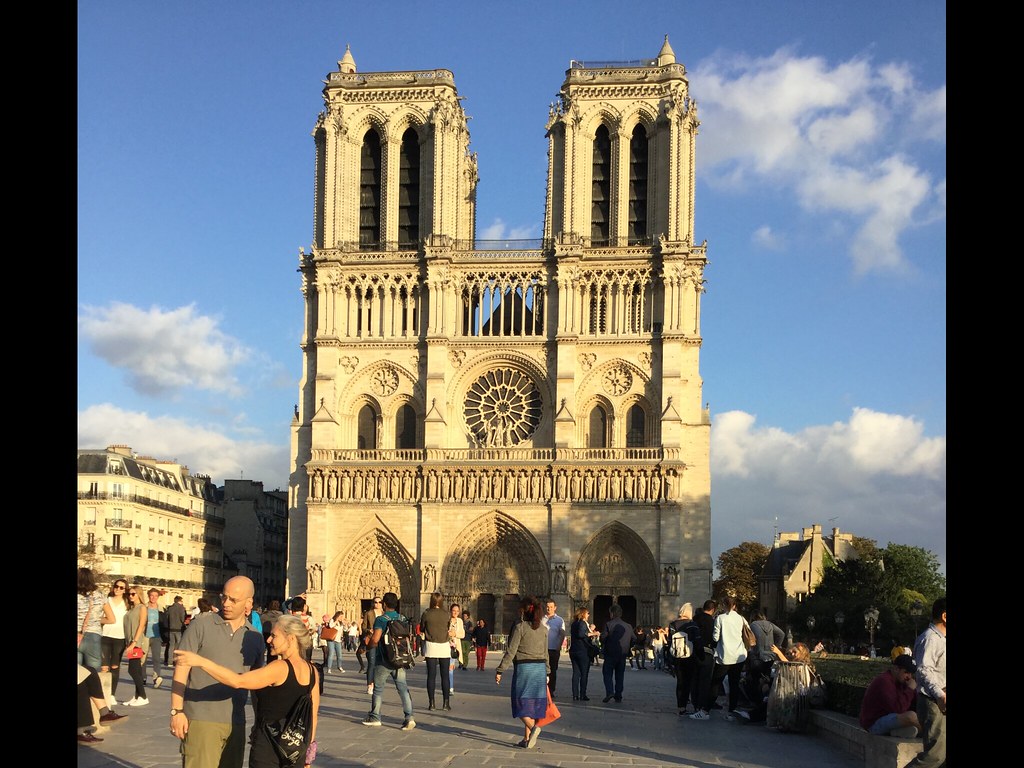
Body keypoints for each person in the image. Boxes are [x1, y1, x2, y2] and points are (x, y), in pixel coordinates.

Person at [176, 613, 320, 768]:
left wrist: (201, 661)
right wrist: (307, 755)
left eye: (274, 636)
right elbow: (312, 717)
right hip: (295, 751)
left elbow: (238, 681)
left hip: (270, 749)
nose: (269, 640)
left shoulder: (279, 668)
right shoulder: (312, 671)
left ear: (291, 638)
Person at [169, 576, 266, 768]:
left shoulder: (254, 637)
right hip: (200, 719)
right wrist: (176, 711)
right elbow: (181, 668)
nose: (226, 603)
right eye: (224, 597)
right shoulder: (201, 624)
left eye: (233, 600)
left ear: (249, 602)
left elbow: (255, 684)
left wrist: (259, 723)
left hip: (236, 721)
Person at [495, 595, 551, 749]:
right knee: (531, 705)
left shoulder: (520, 628)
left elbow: (511, 651)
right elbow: (546, 653)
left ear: (524, 612)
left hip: (525, 669)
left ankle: (534, 729)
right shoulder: (544, 629)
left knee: (519, 703)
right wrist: (547, 672)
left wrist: (500, 670)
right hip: (539, 669)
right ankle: (526, 739)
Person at [361, 591, 416, 730]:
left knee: (378, 689)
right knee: (403, 688)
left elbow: (375, 639)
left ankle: (375, 717)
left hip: (384, 659)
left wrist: (368, 646)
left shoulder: (381, 619)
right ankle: (409, 717)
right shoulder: (402, 618)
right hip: (399, 658)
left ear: (384, 604)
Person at [907, 597, 946, 768]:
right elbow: (923, 670)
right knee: (934, 757)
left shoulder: (942, 639)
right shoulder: (930, 638)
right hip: (933, 701)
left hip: (940, 699)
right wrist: (940, 695)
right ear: (945, 616)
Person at [859, 654, 920, 737]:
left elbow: (915, 705)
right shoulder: (884, 681)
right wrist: (910, 689)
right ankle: (928, 733)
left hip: (891, 719)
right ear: (896, 669)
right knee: (911, 716)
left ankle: (897, 732)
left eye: (911, 673)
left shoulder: (902, 682)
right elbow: (898, 708)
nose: (909, 677)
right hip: (874, 724)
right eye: (906, 672)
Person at [708, 595, 747, 720]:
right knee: (734, 684)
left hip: (725, 655)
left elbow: (715, 637)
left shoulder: (720, 618)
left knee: (715, 683)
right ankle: (732, 711)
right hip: (739, 656)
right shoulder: (741, 618)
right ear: (735, 606)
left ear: (724, 605)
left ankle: (705, 710)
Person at [765, 642, 815, 731]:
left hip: (799, 697)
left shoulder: (802, 667)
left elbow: (789, 668)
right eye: (788, 653)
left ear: (802, 654)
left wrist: (779, 653)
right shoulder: (793, 664)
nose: (791, 654)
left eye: (794, 652)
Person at [100, 578, 130, 708]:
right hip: (105, 635)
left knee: (115, 666)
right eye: (116, 586)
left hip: (120, 637)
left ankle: (112, 694)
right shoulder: (107, 600)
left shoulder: (127, 603)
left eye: (121, 587)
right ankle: (104, 693)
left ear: (125, 590)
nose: (118, 589)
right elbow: (99, 615)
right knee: (104, 666)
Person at [667, 603, 702, 714]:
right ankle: (695, 705)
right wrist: (701, 656)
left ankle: (681, 707)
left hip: (677, 657)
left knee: (680, 682)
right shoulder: (692, 625)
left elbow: (669, 643)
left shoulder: (672, 625)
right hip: (690, 657)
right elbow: (697, 641)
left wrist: (670, 660)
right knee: (690, 681)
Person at [420, 591, 452, 711]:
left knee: (431, 676)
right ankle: (446, 703)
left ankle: (431, 703)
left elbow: (422, 627)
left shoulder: (426, 613)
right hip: (444, 645)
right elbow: (448, 627)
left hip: (431, 646)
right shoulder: (446, 614)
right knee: (445, 676)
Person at [689, 599, 718, 719]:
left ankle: (695, 704)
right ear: (713, 609)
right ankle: (701, 706)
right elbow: (715, 638)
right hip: (707, 652)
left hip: (694, 652)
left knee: (694, 679)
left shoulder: (695, 619)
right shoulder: (713, 621)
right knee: (705, 681)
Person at [121, 586, 150, 706]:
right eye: (129, 594)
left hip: (137, 642)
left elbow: (142, 624)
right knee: (136, 669)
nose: (130, 596)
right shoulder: (131, 608)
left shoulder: (142, 607)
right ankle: (137, 696)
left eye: (133, 594)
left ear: (139, 594)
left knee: (132, 669)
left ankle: (143, 696)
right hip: (130, 642)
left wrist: (134, 642)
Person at [599, 602, 633, 703]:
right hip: (622, 654)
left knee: (607, 673)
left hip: (610, 653)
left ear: (612, 613)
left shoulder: (609, 624)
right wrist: (627, 646)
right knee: (620, 675)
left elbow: (603, 638)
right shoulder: (628, 626)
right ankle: (618, 695)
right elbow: (634, 639)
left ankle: (609, 692)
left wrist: (604, 641)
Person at [78, 567, 107, 673]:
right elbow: (111, 619)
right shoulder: (99, 596)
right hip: (94, 635)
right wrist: (96, 619)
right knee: (93, 674)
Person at [569, 606, 599, 701]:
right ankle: (582, 694)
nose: (589, 615)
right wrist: (594, 634)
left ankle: (575, 695)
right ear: (583, 614)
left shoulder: (574, 623)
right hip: (582, 651)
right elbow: (581, 634)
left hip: (573, 651)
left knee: (576, 673)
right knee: (584, 673)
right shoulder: (582, 623)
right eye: (587, 613)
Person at [144, 588, 167, 688]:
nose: (153, 598)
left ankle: (156, 678)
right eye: (151, 595)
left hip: (157, 636)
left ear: (158, 597)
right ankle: (143, 677)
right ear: (148, 596)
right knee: (143, 658)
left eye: (155, 596)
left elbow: (165, 623)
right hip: (144, 636)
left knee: (156, 658)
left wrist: (165, 637)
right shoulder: (143, 607)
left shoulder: (161, 609)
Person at [543, 599, 566, 698]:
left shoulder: (560, 620)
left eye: (551, 607)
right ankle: (542, 690)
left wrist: (558, 647)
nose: (549, 608)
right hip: (542, 650)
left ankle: (551, 690)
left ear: (555, 608)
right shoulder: (541, 619)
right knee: (541, 671)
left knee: (552, 671)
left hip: (554, 649)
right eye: (548, 606)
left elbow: (562, 634)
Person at [363, 596, 384, 694]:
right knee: (371, 663)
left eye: (380, 602)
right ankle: (370, 685)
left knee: (379, 663)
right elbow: (363, 627)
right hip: (372, 640)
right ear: (373, 603)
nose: (378, 604)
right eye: (376, 602)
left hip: (382, 641)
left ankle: (377, 683)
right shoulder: (369, 613)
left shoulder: (384, 614)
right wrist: (369, 630)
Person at [448, 603, 466, 695]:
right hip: (445, 646)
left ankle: (450, 687)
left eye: (457, 611)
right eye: (454, 610)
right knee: (447, 668)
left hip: (454, 648)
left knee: (450, 668)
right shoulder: (447, 620)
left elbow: (462, 634)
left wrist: (454, 634)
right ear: (450, 611)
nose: (455, 612)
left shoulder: (460, 621)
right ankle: (447, 685)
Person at [166, 596, 189, 665]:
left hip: (171, 629)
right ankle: (175, 660)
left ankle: (169, 661)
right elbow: (182, 619)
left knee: (171, 645)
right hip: (178, 629)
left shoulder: (170, 608)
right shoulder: (181, 608)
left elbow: (167, 618)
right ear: (179, 601)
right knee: (178, 646)